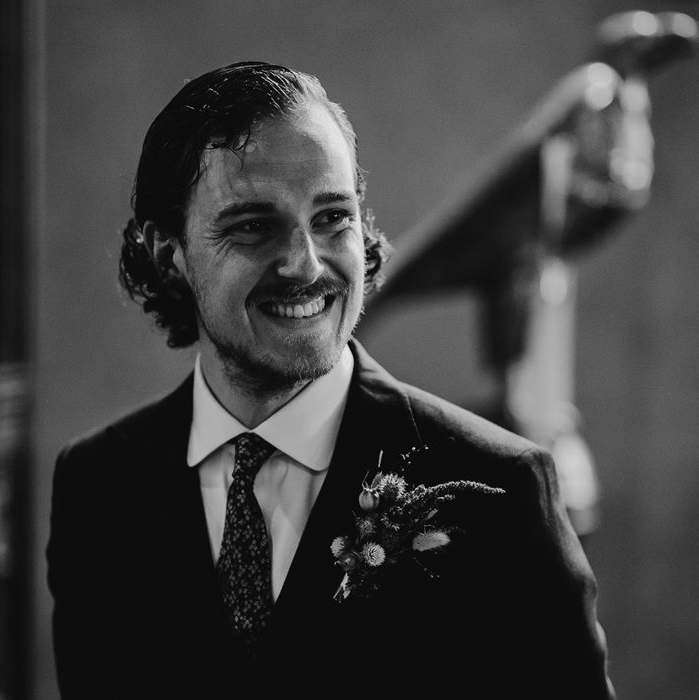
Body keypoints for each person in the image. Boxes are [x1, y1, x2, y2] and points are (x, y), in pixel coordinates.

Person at [46, 61, 615, 699]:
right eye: (253, 226)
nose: (304, 263)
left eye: (331, 217)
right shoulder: (96, 486)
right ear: (167, 254)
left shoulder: (501, 492)